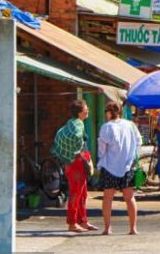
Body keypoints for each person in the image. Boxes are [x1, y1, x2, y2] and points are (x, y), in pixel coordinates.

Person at [97, 102, 141, 235]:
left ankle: (107, 228)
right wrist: (131, 155)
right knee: (129, 197)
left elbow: (102, 148)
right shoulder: (130, 125)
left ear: (109, 112)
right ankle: (133, 228)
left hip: (110, 166)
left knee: (108, 198)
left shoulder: (106, 127)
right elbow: (138, 141)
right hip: (127, 165)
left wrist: (100, 157)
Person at [52, 99, 97, 233]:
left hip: (74, 161)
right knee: (76, 193)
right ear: (79, 112)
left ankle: (82, 221)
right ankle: (72, 223)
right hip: (76, 162)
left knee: (82, 193)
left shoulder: (74, 123)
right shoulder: (78, 124)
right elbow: (77, 138)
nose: (87, 110)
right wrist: (80, 150)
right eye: (86, 108)